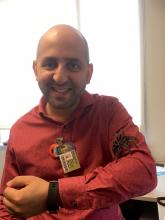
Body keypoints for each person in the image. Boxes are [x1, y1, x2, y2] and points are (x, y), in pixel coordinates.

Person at [0, 24, 157, 220]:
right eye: (49, 64)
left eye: (73, 65)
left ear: (88, 73)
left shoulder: (109, 112)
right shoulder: (20, 130)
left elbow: (143, 171)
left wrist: (54, 193)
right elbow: (6, 203)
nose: (60, 77)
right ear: (35, 69)